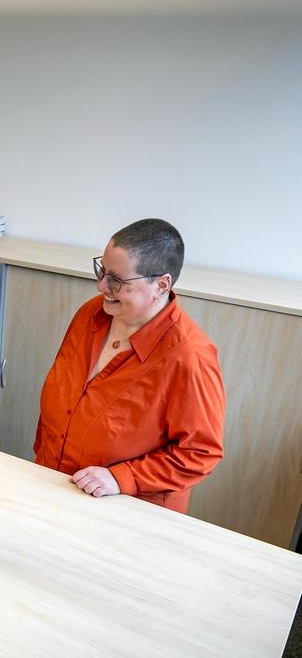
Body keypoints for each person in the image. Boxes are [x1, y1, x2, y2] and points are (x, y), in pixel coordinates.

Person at [34, 219, 225, 513]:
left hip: (128, 508)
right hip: (55, 483)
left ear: (161, 285)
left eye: (117, 280)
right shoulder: (91, 314)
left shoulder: (190, 356)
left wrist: (122, 478)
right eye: (102, 271)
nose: (102, 286)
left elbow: (200, 452)